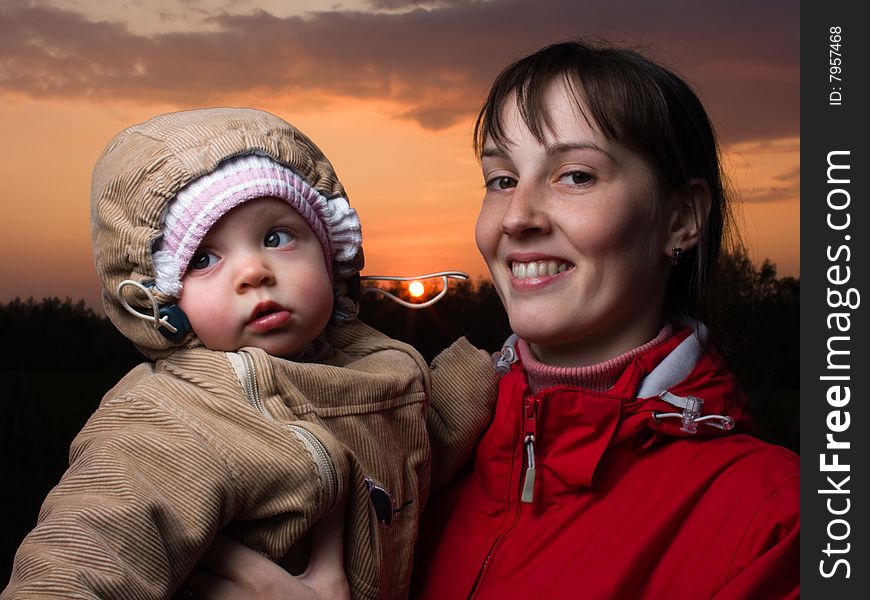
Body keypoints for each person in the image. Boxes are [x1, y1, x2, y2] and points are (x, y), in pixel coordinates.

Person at [193, 40, 800, 599]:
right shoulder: (405, 442)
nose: (517, 217)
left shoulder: (777, 521)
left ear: (682, 219)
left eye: (576, 176)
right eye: (502, 179)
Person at [1, 108, 497, 599]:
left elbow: (416, 443)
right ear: (161, 302)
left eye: (276, 237)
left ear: (332, 254)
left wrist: (492, 371)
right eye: (204, 258)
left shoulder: (375, 367)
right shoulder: (171, 421)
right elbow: (82, 559)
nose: (254, 271)